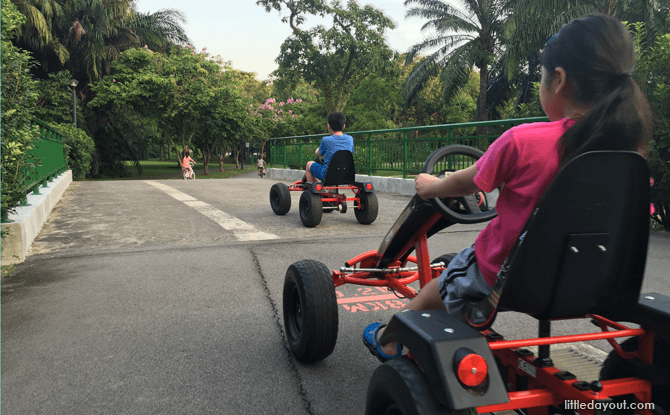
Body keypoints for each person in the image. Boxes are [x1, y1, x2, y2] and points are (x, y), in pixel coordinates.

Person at [363, 13, 651, 361]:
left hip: (502, 279)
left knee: (440, 284)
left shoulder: (523, 141)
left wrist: (431, 186)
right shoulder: (631, 155)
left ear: (558, 80)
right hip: (593, 283)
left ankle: (392, 338)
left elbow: (467, 180)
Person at [303, 112, 355, 183]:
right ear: (343, 126)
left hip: (328, 175)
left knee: (309, 164)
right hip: (347, 175)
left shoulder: (325, 140)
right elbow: (349, 153)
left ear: (328, 126)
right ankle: (331, 190)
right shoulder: (350, 139)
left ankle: (312, 189)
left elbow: (319, 154)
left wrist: (317, 150)